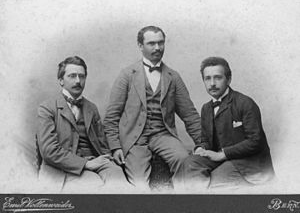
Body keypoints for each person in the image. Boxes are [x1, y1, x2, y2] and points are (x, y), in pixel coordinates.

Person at [103, 26, 201, 189]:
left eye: (161, 43)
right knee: (139, 182)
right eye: (151, 43)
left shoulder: (173, 77)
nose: (157, 48)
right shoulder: (127, 75)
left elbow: (190, 115)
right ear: (140, 46)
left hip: (163, 135)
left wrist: (202, 144)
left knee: (184, 161)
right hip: (135, 139)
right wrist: (115, 147)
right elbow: (111, 117)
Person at [176, 57, 275, 190]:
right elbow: (206, 141)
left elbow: (256, 141)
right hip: (220, 159)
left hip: (248, 163)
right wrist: (200, 148)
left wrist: (223, 154)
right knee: (189, 164)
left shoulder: (245, 103)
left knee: (214, 183)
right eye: (207, 78)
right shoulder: (206, 108)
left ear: (228, 79)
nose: (212, 83)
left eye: (218, 78)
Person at [37, 56, 129, 193]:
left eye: (82, 76)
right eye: (72, 76)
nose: (78, 81)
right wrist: (86, 164)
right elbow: (49, 151)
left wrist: (110, 157)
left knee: (120, 180)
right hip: (63, 168)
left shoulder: (91, 108)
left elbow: (102, 144)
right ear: (61, 80)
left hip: (95, 161)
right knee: (95, 186)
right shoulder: (47, 108)